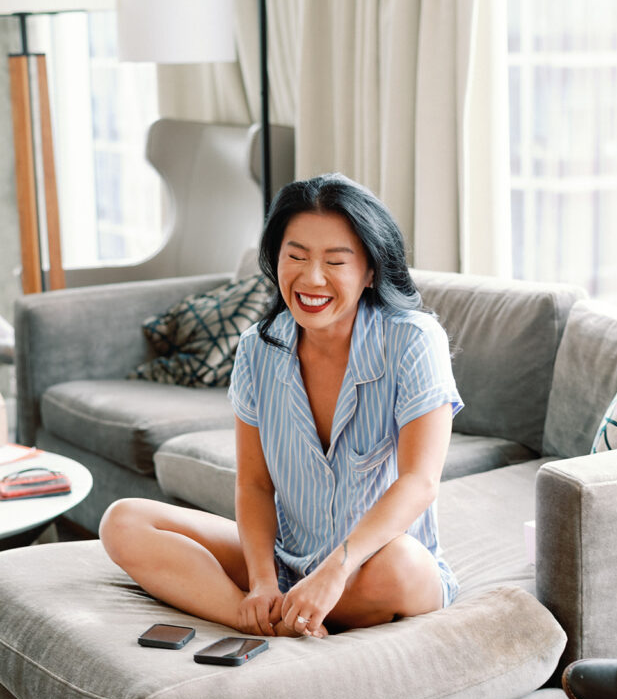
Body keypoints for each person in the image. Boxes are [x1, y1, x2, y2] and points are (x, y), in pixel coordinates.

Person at [100, 174, 463, 638]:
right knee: (124, 522)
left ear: (370, 271)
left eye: (335, 261)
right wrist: (261, 582)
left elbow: (419, 482)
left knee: (404, 566)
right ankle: (259, 618)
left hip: (375, 564)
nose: (311, 278)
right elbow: (253, 485)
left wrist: (335, 572)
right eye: (296, 257)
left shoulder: (414, 340)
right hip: (289, 560)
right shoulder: (257, 350)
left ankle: (304, 609)